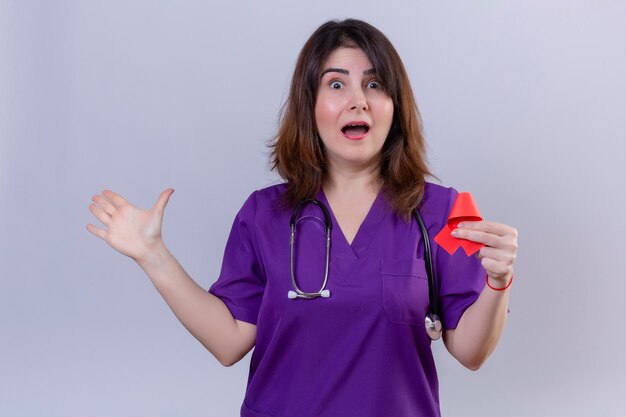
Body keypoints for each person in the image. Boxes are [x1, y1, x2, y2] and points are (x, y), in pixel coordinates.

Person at [86, 18, 517, 417]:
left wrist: (499, 283)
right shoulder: (263, 214)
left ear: (395, 105)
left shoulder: (445, 211)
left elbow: (472, 352)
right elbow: (228, 340)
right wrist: (152, 255)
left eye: (375, 84)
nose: (358, 101)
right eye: (336, 84)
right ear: (309, 105)